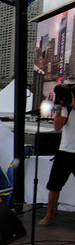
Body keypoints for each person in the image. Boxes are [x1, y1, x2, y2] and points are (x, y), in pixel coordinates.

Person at [39, 87, 75, 225]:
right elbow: (57, 126)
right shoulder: (66, 107)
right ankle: (49, 215)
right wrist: (59, 108)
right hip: (65, 151)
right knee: (54, 185)